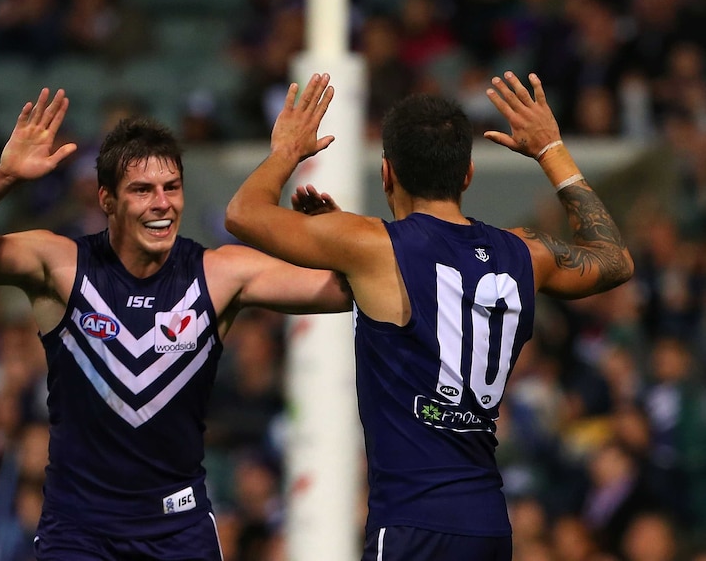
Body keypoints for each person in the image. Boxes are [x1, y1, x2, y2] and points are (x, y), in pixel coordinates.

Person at [0, 88, 351, 559]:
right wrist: (2, 176)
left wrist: (335, 235)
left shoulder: (221, 275)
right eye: (142, 190)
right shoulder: (61, 266)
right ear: (107, 200)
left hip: (178, 529)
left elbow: (347, 290)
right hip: (78, 530)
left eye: (172, 187)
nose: (162, 203)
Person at [224, 71, 634, 560]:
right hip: (487, 525)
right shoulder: (526, 252)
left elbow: (244, 213)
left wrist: (288, 152)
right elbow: (614, 259)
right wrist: (550, 150)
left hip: (411, 523)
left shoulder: (373, 247)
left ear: (386, 173)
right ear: (467, 175)